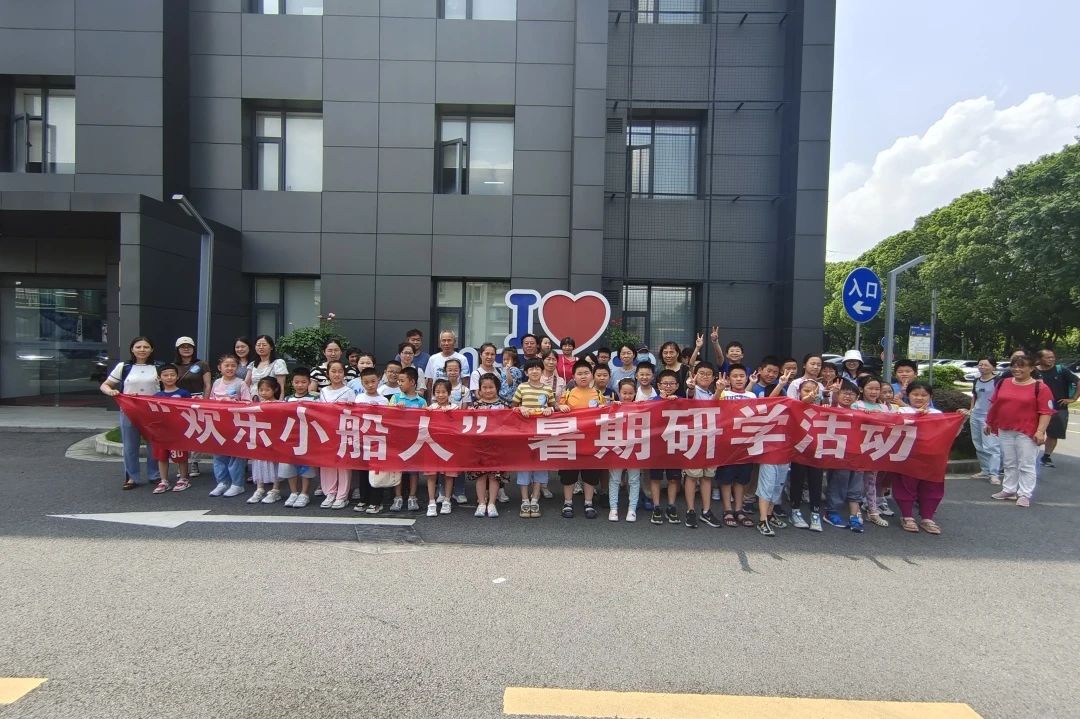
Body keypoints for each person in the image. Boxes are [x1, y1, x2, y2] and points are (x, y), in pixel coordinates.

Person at [987, 354, 1056, 508]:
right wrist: (989, 422)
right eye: (1014, 366)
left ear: (1031, 369)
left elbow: (1046, 412)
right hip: (1005, 428)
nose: (1016, 369)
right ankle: (1009, 489)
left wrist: (1040, 431)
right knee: (1009, 462)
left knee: (1026, 464)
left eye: (1021, 366)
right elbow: (995, 403)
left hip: (1027, 431)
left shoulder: (1040, 388)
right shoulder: (1004, 383)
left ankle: (1025, 494)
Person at [100, 337, 161, 490]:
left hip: (153, 411)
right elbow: (105, 385)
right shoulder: (124, 367)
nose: (142, 350)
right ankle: (132, 477)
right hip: (129, 411)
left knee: (154, 445)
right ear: (132, 349)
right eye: (138, 347)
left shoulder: (158, 367)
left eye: (146, 347)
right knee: (130, 446)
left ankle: (155, 475)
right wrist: (111, 392)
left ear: (152, 349)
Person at [893, 382, 951, 532]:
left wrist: (961, 419)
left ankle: (927, 517)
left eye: (924, 395)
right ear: (908, 395)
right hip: (908, 455)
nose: (919, 398)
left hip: (932, 457)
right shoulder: (901, 411)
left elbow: (948, 433)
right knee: (906, 485)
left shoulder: (937, 413)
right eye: (915, 394)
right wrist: (917, 416)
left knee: (932, 486)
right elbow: (894, 428)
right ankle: (907, 516)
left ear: (930, 397)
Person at [556, 361, 606, 519]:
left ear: (591, 375)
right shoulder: (568, 394)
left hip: (591, 441)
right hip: (571, 440)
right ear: (573, 376)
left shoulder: (598, 394)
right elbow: (557, 412)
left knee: (590, 473)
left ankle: (588, 503)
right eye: (579, 373)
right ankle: (568, 503)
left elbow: (605, 415)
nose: (583, 376)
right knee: (569, 474)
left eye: (586, 373)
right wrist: (560, 407)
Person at [512, 358, 557, 518]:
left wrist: (550, 410)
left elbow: (554, 407)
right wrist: (520, 408)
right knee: (524, 466)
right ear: (526, 372)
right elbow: (513, 407)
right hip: (524, 434)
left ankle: (535, 499)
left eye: (538, 368)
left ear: (542, 371)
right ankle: (525, 500)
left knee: (540, 466)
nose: (535, 371)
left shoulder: (547, 389)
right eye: (531, 369)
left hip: (542, 434)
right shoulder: (521, 387)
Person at [208, 353, 252, 498]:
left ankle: (237, 484)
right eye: (226, 365)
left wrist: (234, 403)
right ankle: (222, 482)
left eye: (233, 365)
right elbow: (210, 401)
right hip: (218, 423)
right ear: (219, 368)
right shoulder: (216, 383)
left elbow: (248, 403)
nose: (230, 368)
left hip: (236, 424)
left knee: (236, 454)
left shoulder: (241, 383)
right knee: (219, 454)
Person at [683, 362, 720, 529]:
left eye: (708, 374)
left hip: (711, 438)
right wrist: (691, 387)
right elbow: (690, 394)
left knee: (707, 476)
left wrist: (719, 390)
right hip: (695, 439)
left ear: (713, 378)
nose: (705, 376)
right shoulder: (694, 390)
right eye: (701, 373)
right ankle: (690, 510)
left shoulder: (714, 392)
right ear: (695, 375)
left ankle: (706, 511)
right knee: (692, 476)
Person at [824, 381, 865, 532]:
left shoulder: (860, 412)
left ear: (857, 397)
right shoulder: (831, 408)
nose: (848, 396)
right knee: (838, 482)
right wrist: (833, 395)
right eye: (845, 393)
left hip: (857, 454)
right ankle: (831, 512)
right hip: (838, 454)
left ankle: (854, 516)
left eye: (852, 394)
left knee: (856, 485)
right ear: (838, 394)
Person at [469, 373, 509, 518]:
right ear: (479, 389)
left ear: (497, 388)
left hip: (497, 446)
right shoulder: (474, 406)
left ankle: (492, 503)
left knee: (494, 476)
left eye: (491, 387)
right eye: (484, 387)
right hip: (479, 446)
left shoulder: (504, 405)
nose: (488, 390)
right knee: (480, 475)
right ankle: (481, 503)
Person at [316, 360, 355, 509]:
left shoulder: (349, 391)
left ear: (344, 374)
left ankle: (342, 496)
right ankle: (330, 493)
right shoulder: (323, 391)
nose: (337, 374)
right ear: (328, 374)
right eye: (333, 371)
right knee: (328, 462)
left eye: (340, 371)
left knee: (343, 463)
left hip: (343, 431)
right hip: (326, 431)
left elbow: (354, 413)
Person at [853, 376, 891, 526]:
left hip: (875, 447)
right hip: (859, 447)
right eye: (870, 388)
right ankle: (856, 510)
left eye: (877, 389)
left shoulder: (884, 407)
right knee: (856, 481)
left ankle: (873, 511)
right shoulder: (856, 405)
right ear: (862, 389)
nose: (874, 392)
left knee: (871, 481)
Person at [388, 366, 427, 512]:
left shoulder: (421, 401)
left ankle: (412, 497)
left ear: (412, 382)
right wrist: (396, 409)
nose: (399, 383)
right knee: (397, 469)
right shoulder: (395, 398)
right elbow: (387, 415)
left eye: (402, 380)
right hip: (398, 440)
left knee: (413, 470)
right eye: (398, 380)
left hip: (415, 441)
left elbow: (426, 419)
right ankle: (397, 497)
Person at [352, 367, 390, 513]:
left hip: (378, 440)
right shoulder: (359, 399)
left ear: (378, 380)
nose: (370, 385)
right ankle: (363, 499)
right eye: (366, 382)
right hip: (362, 439)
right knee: (363, 471)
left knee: (376, 472)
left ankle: (376, 501)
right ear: (361, 383)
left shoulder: (384, 400)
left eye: (373, 381)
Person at [789, 380, 824, 532]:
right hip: (799, 450)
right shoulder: (794, 406)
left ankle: (815, 513)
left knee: (816, 481)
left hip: (817, 450)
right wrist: (806, 400)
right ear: (799, 392)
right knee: (797, 480)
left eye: (814, 391)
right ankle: (795, 510)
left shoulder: (824, 409)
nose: (811, 394)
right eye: (806, 390)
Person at [960, 357, 1002, 485]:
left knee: (991, 446)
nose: (982, 367)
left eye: (986, 365)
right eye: (980, 365)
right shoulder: (976, 380)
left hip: (990, 418)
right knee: (978, 444)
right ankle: (985, 470)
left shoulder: (998, 381)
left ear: (993, 367)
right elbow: (975, 397)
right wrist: (971, 410)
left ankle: (994, 474)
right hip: (976, 415)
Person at [1034, 348, 1078, 468]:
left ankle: (1046, 457)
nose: (1051, 359)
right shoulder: (1033, 371)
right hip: (1036, 408)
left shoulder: (1061, 370)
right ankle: (1030, 455)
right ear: (1039, 359)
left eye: (1052, 357)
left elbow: (1078, 381)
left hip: (1058, 407)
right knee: (1032, 432)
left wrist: (1073, 398)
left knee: (1054, 434)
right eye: (1048, 357)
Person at [281, 367, 318, 508]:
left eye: (303, 382)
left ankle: (304, 493)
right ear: (292, 383)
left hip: (308, 436)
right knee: (289, 463)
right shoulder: (287, 399)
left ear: (309, 383)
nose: (300, 385)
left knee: (307, 464)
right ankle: (293, 492)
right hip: (291, 435)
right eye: (297, 382)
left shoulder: (315, 399)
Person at [151, 363, 191, 494]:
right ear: (159, 378)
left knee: (181, 455)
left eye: (172, 375)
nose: (169, 377)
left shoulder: (184, 393)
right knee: (162, 456)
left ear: (177, 376)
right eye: (165, 375)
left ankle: (184, 478)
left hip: (179, 430)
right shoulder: (157, 396)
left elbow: (189, 411)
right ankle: (164, 480)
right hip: (162, 432)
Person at [608, 378, 643, 522]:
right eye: (624, 393)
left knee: (634, 480)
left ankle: (632, 509)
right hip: (617, 448)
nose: (627, 396)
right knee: (615, 479)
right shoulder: (614, 406)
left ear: (635, 393)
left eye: (630, 393)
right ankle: (613, 509)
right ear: (619, 392)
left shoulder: (641, 406)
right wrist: (611, 407)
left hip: (634, 448)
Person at [424, 380, 460, 517]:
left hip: (449, 446)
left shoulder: (455, 408)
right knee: (431, 474)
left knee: (449, 475)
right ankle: (431, 502)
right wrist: (428, 412)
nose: (440, 395)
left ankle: (447, 500)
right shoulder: (431, 407)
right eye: (437, 392)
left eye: (444, 392)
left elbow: (459, 425)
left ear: (449, 393)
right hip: (432, 445)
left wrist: (450, 414)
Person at [247, 377, 283, 504]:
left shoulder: (280, 404)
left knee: (275, 462)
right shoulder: (256, 405)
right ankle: (259, 488)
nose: (263, 393)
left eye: (267, 390)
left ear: (275, 389)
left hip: (274, 437)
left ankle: (275, 489)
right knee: (259, 461)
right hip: (260, 437)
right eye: (261, 390)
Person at [247, 334, 288, 400]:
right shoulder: (252, 364)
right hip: (253, 399)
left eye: (264, 345)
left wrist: (280, 401)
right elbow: (247, 383)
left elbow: (281, 386)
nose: (261, 347)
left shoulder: (278, 363)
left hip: (271, 401)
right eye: (258, 345)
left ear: (271, 347)